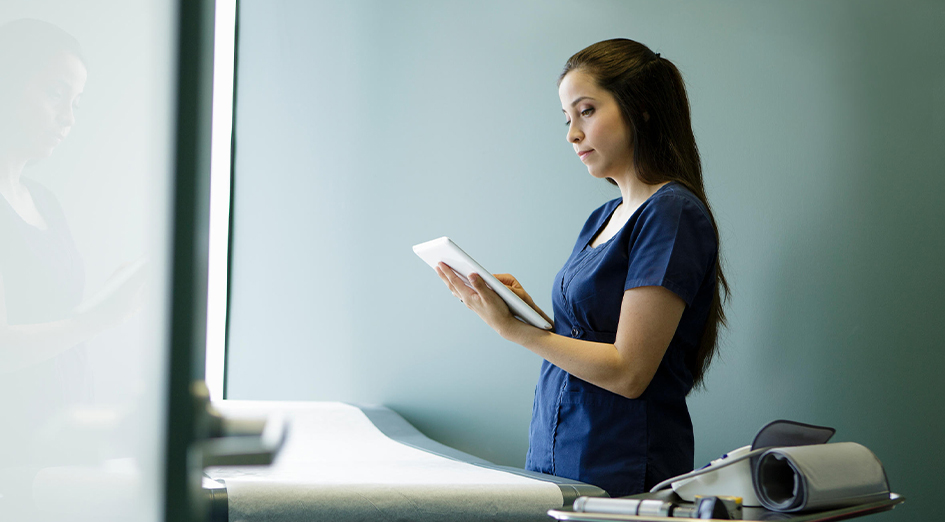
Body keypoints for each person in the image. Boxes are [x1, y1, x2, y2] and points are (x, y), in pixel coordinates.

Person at [436, 38, 729, 497]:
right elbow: (587, 342)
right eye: (567, 118)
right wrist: (526, 314)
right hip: (559, 458)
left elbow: (629, 372)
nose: (572, 133)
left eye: (586, 111)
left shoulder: (671, 214)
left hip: (622, 471)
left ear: (641, 108)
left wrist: (517, 333)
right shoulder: (603, 217)